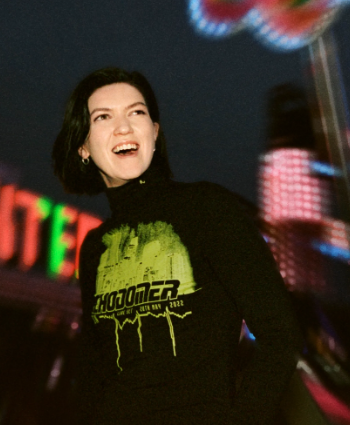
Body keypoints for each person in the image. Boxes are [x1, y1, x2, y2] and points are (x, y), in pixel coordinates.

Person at [52, 67, 303, 424]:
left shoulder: (208, 208)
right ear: (83, 148)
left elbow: (282, 335)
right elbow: (95, 372)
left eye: (136, 112)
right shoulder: (95, 247)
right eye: (103, 117)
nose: (124, 127)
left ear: (154, 132)